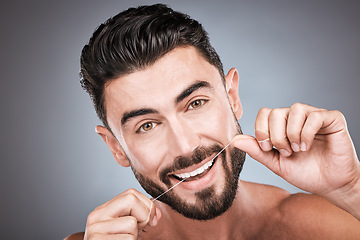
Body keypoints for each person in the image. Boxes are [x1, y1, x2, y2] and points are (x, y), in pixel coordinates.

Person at [66, 4, 360, 240]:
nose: (185, 146)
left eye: (195, 104)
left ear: (232, 97)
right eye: (147, 125)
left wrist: (352, 189)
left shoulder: (334, 226)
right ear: (116, 147)